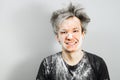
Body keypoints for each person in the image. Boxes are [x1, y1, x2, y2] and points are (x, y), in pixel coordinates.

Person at [36, 3, 110, 80]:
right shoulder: (47, 64)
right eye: (64, 32)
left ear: (83, 34)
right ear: (58, 37)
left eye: (75, 31)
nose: (69, 37)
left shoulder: (97, 63)